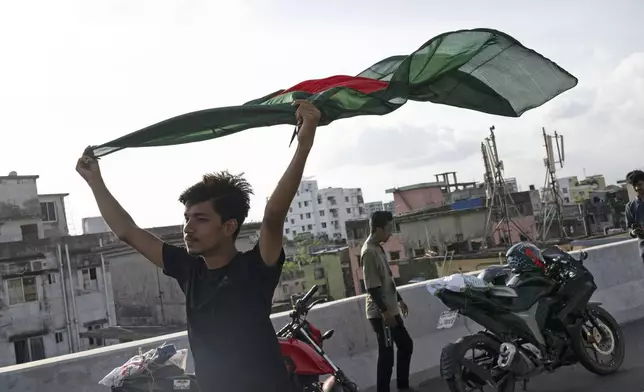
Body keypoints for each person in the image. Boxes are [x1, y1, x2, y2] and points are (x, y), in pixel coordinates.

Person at [76, 100, 321, 392]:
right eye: (187, 218)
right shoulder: (188, 270)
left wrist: (304, 145)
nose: (188, 228)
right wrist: (95, 182)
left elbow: (272, 216)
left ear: (229, 226)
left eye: (201, 219)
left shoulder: (255, 268)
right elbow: (128, 231)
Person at [362, 211, 414, 392]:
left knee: (406, 345)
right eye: (388, 229)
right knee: (386, 356)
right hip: (381, 312)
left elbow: (385, 280)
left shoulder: (378, 247)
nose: (390, 233)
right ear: (378, 229)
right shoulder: (369, 252)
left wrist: (399, 300)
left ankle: (403, 387)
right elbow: (372, 287)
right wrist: (385, 312)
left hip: (390, 308)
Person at [625, 170, 644, 263]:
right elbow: (629, 227)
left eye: (639, 184)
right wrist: (633, 232)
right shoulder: (630, 206)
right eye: (634, 186)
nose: (637, 188)